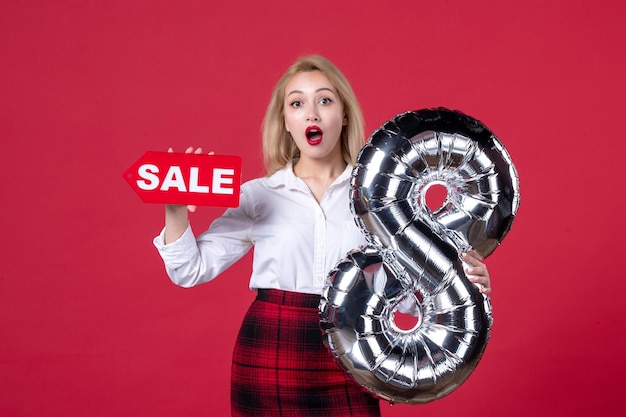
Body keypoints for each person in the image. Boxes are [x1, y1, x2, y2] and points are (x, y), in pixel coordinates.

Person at [153, 55, 492, 416]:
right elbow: (189, 270)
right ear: (285, 122)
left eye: (324, 100)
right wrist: (174, 210)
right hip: (271, 349)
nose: (311, 113)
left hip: (354, 347)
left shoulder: (378, 199)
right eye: (297, 103)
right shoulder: (258, 195)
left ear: (343, 115)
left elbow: (404, 296)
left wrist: (463, 283)